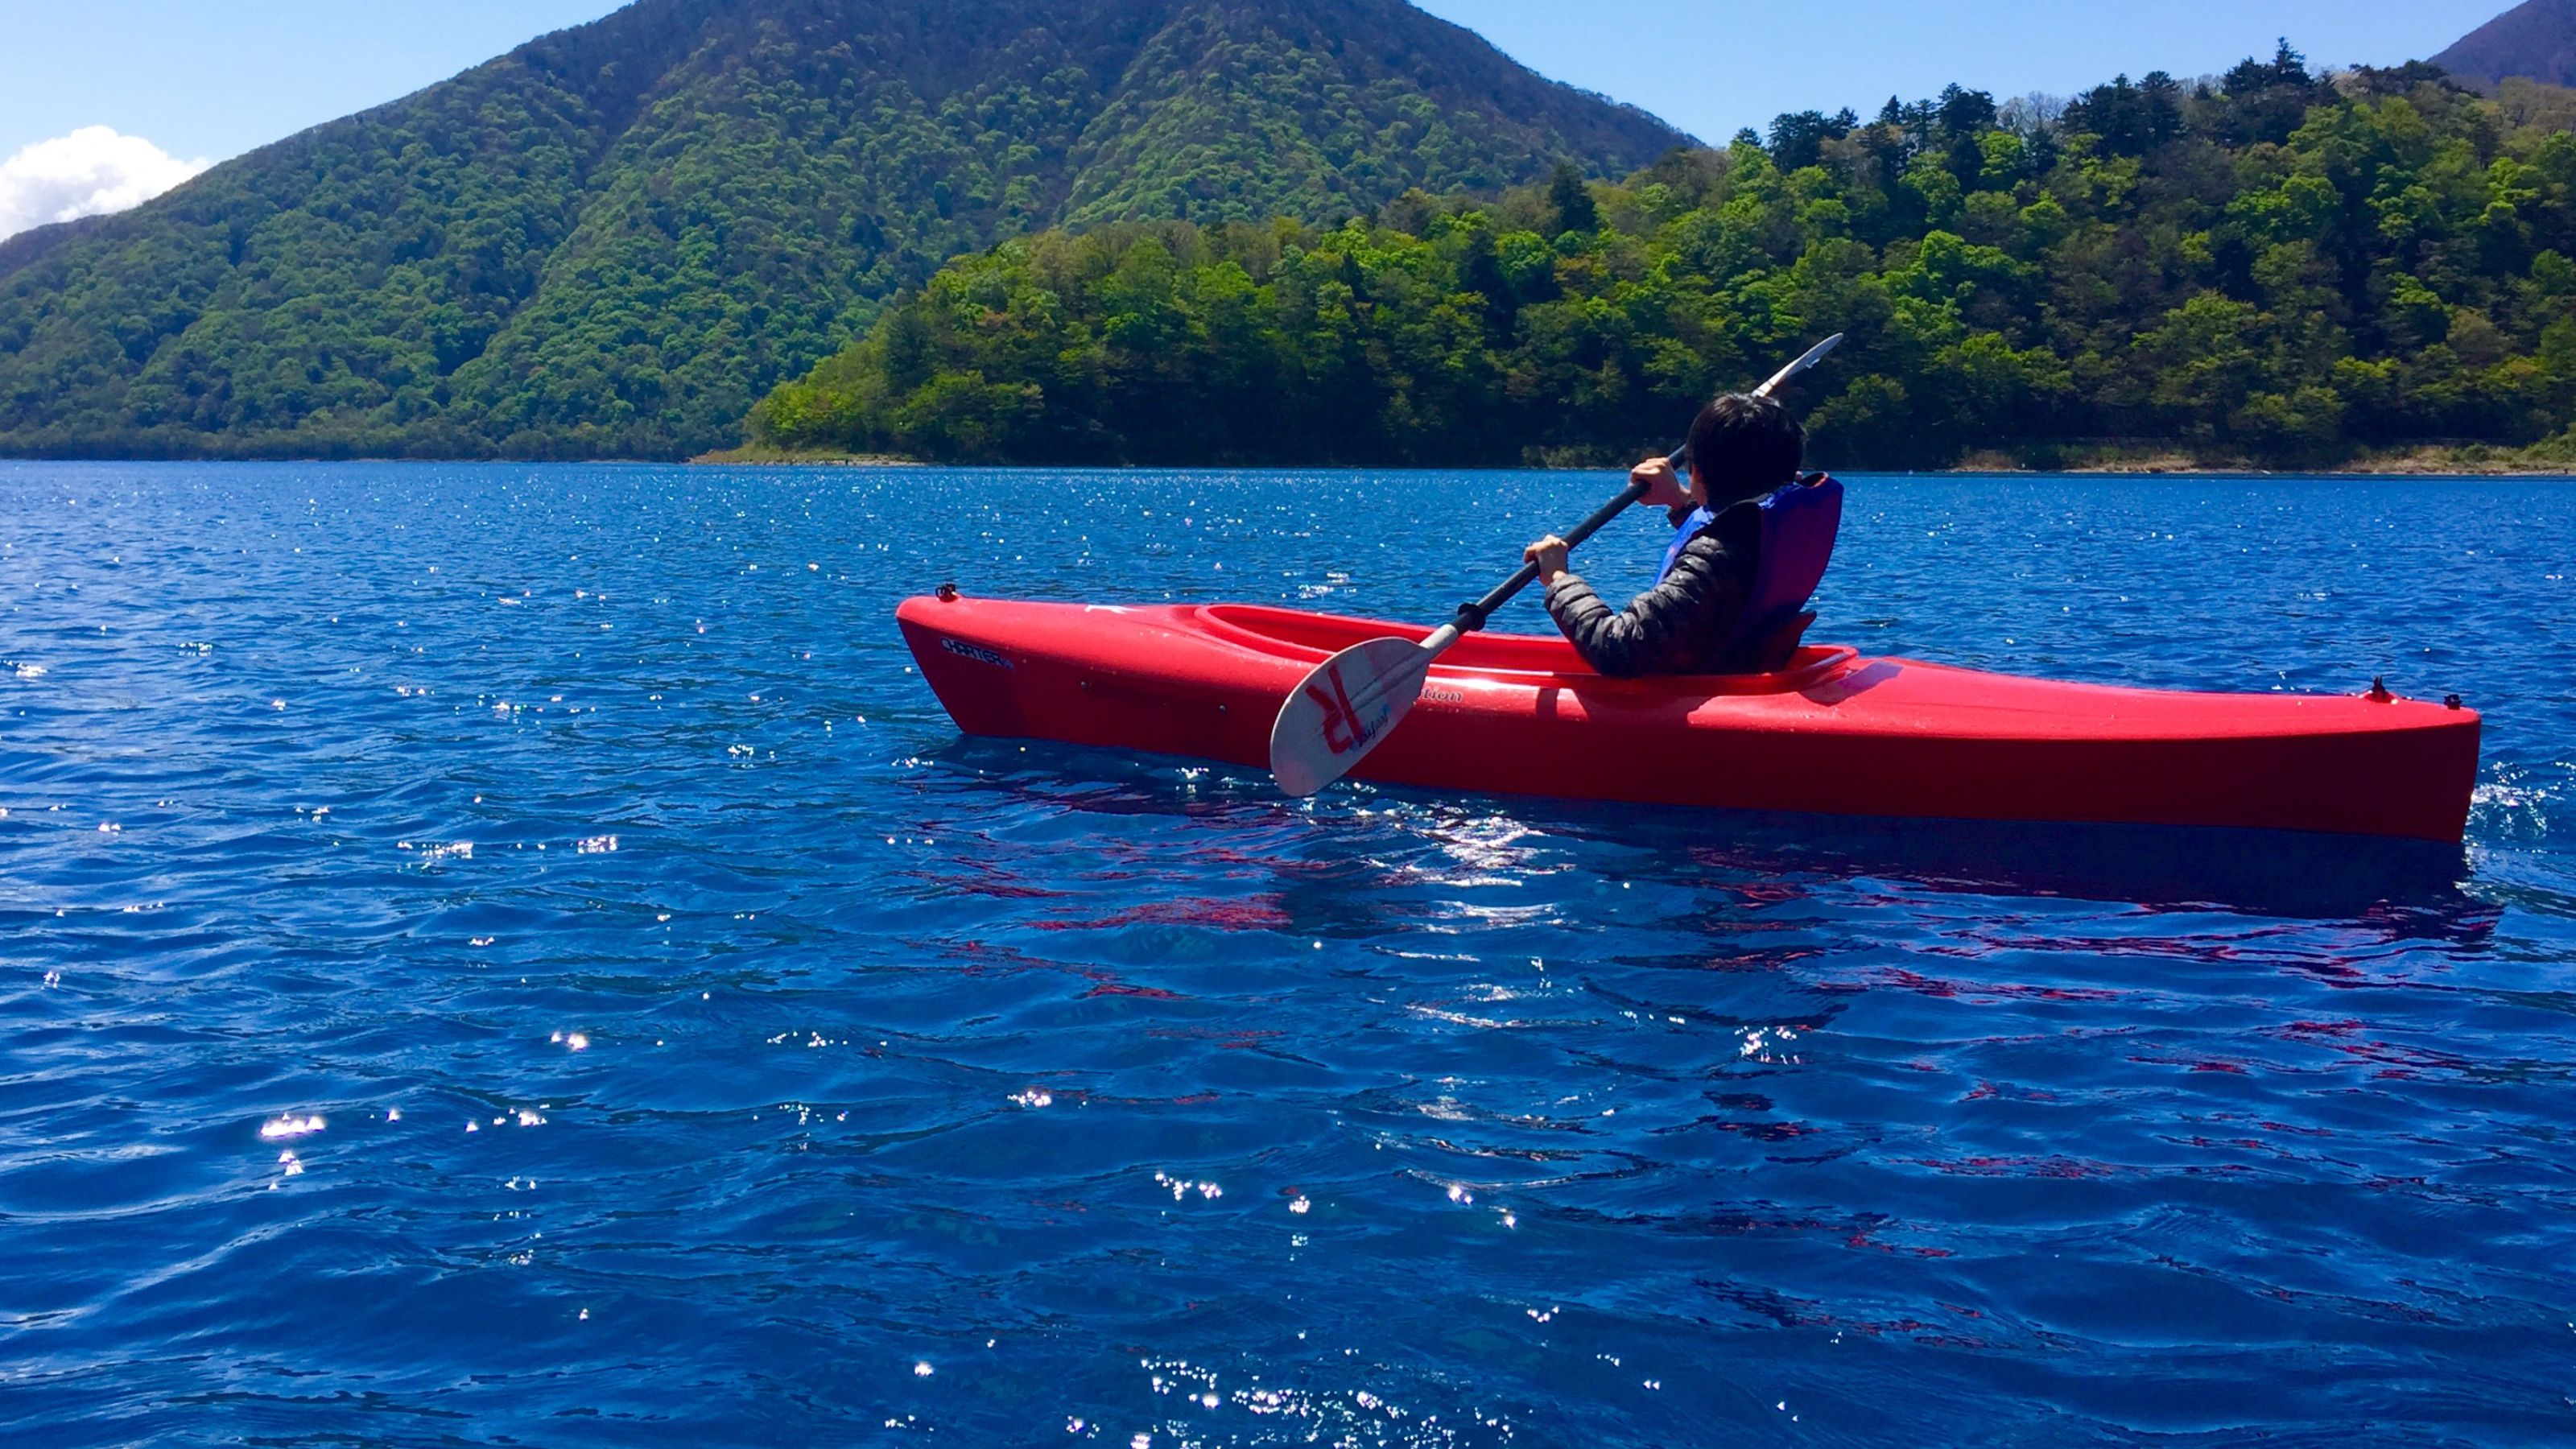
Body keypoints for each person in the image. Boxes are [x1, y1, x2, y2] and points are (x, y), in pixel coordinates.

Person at [1523, 391, 1810, 677]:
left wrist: (1559, 579)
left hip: (1701, 694)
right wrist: (1680, 500)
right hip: (1737, 670)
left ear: (1695, 471)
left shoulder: (1717, 559)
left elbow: (1618, 648)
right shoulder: (1769, 533)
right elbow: (1730, 545)